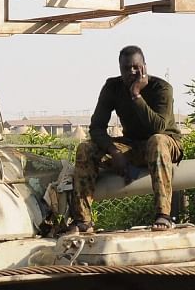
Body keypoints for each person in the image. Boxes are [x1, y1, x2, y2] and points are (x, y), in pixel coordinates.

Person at [67, 45, 182, 233]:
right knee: (85, 149)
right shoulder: (113, 87)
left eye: (136, 67)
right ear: (120, 70)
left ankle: (163, 214)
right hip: (133, 145)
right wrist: (114, 151)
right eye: (126, 68)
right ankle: (83, 220)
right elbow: (97, 128)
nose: (132, 72)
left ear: (144, 67)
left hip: (166, 143)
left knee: (157, 141)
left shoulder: (161, 88)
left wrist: (136, 95)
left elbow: (158, 127)